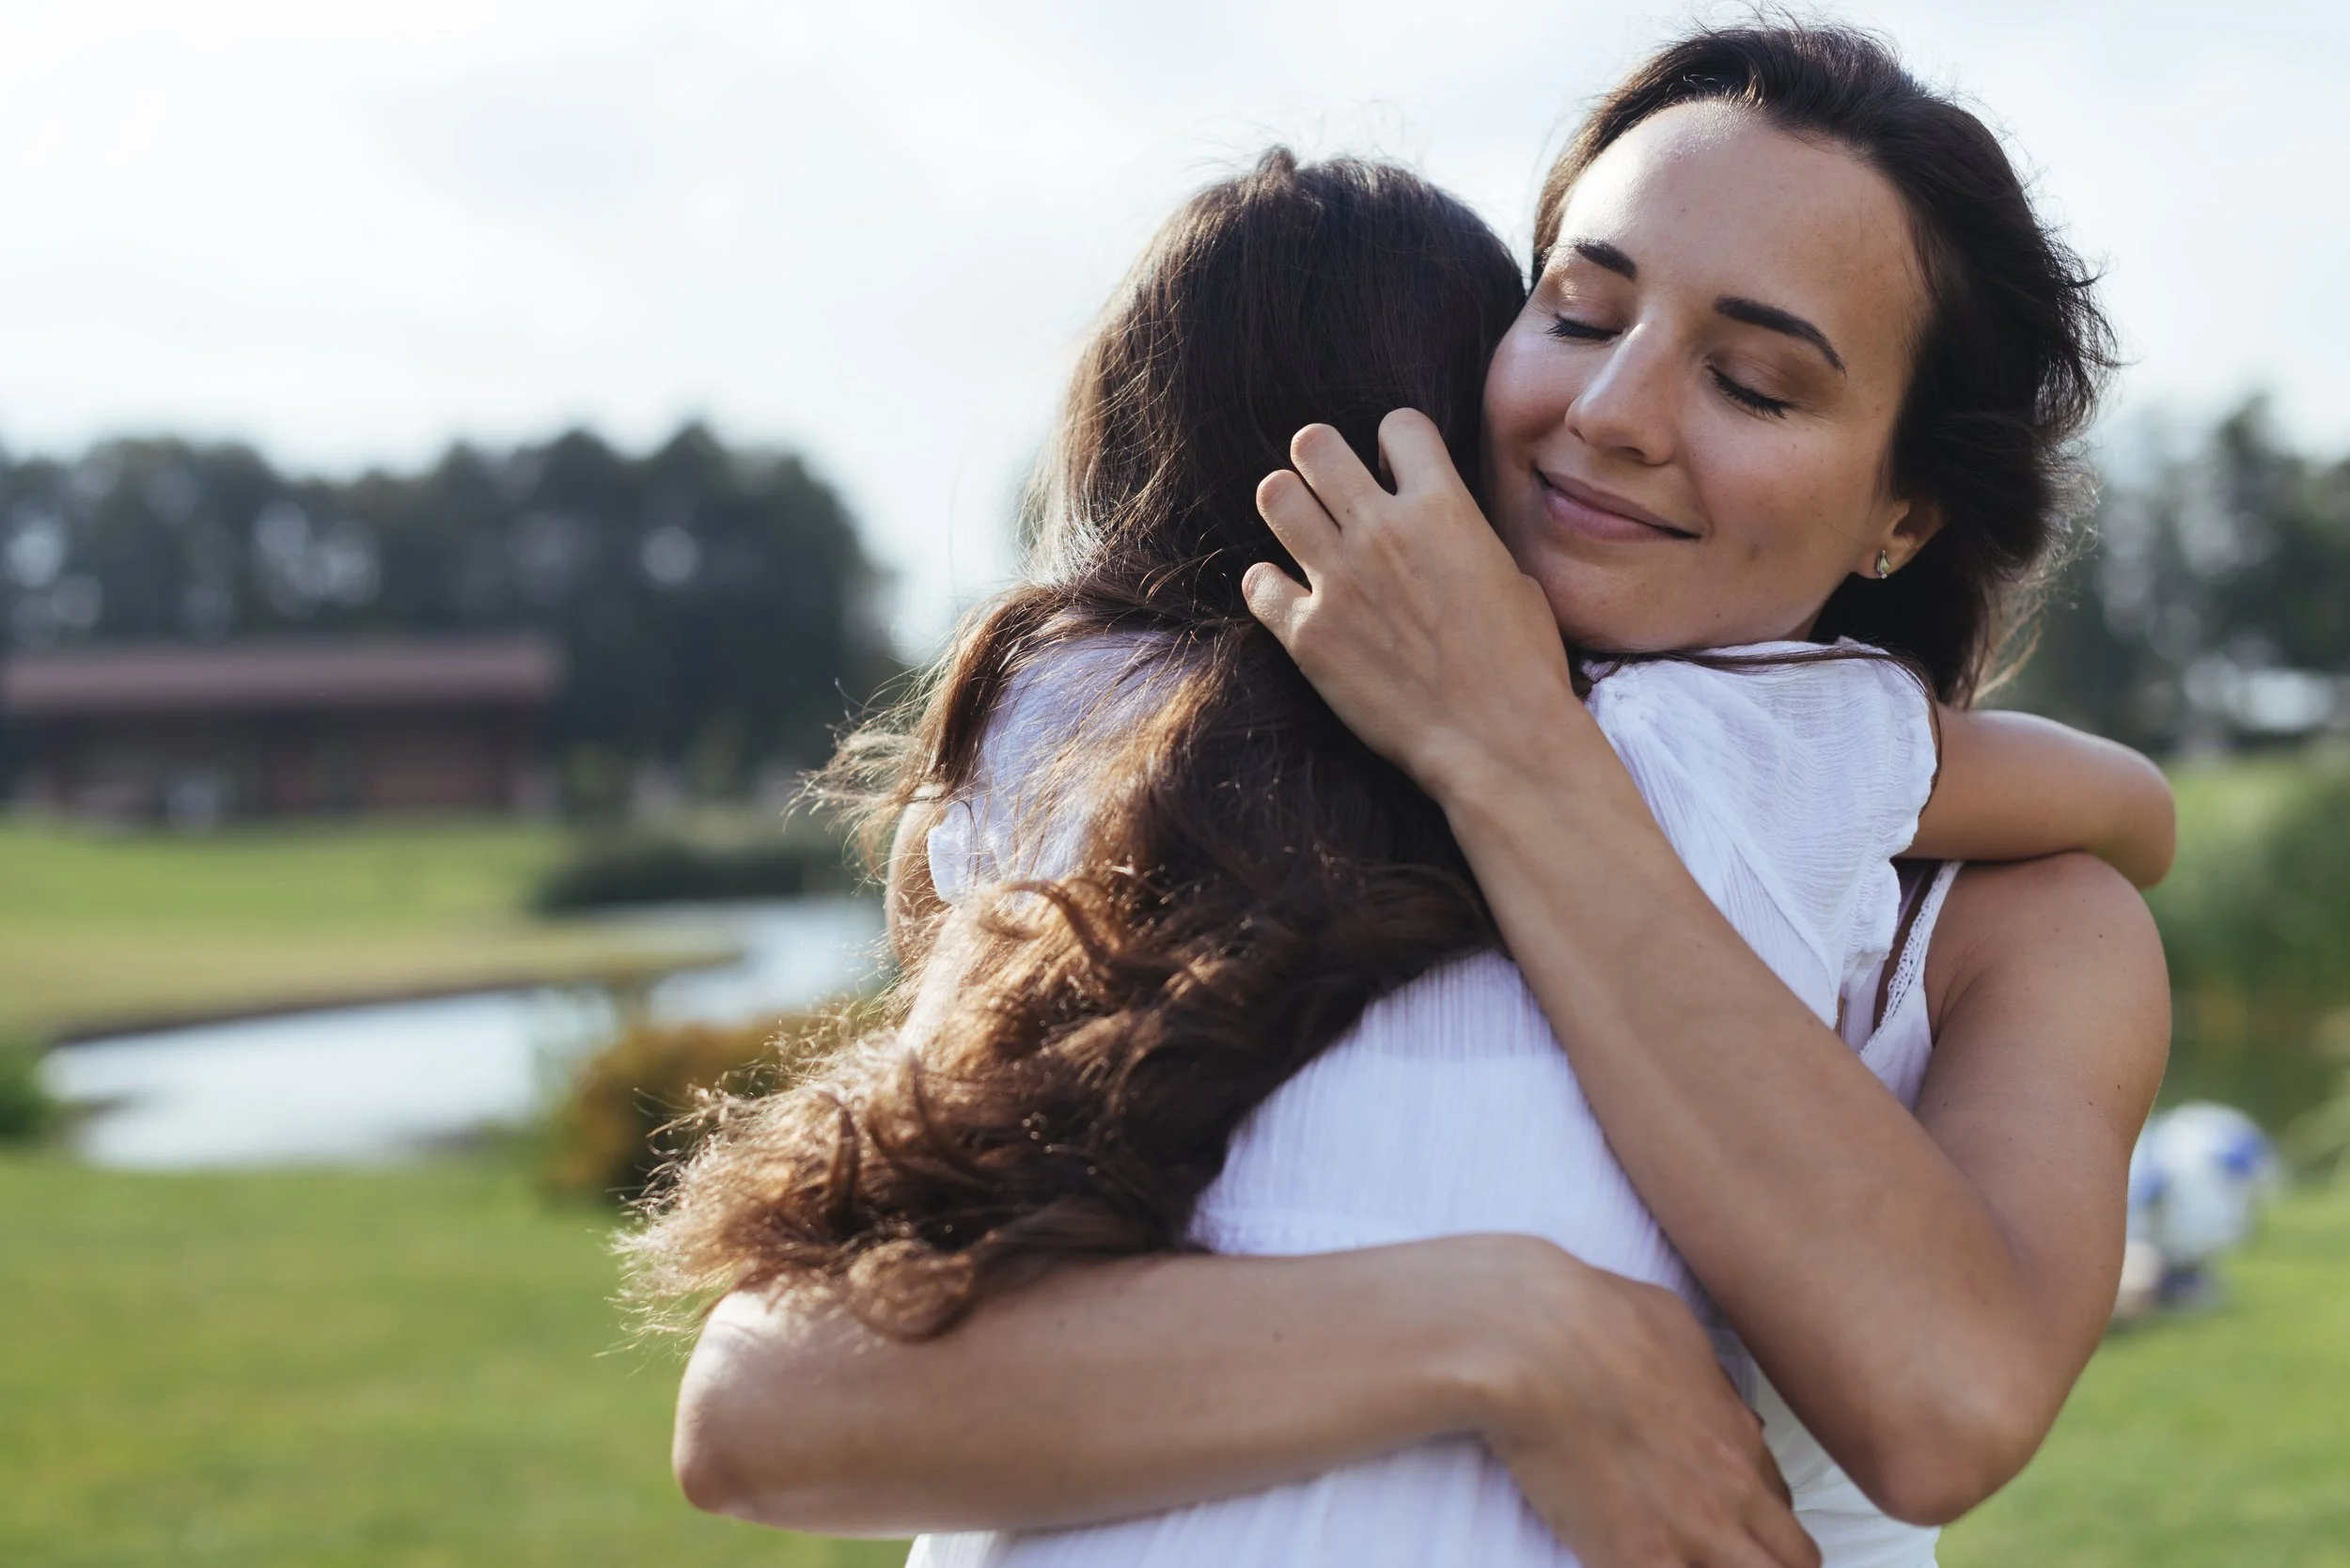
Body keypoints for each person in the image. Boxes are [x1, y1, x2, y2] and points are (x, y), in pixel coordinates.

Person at [647, 26, 2171, 1568]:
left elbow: (1944, 1405)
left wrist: (1509, 743)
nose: (1614, 411)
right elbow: (772, 1403)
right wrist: (1501, 1329)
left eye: (1755, 384)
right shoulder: (1203, 787)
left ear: (1906, 511)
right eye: (1578, 312)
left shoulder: (2013, 917)